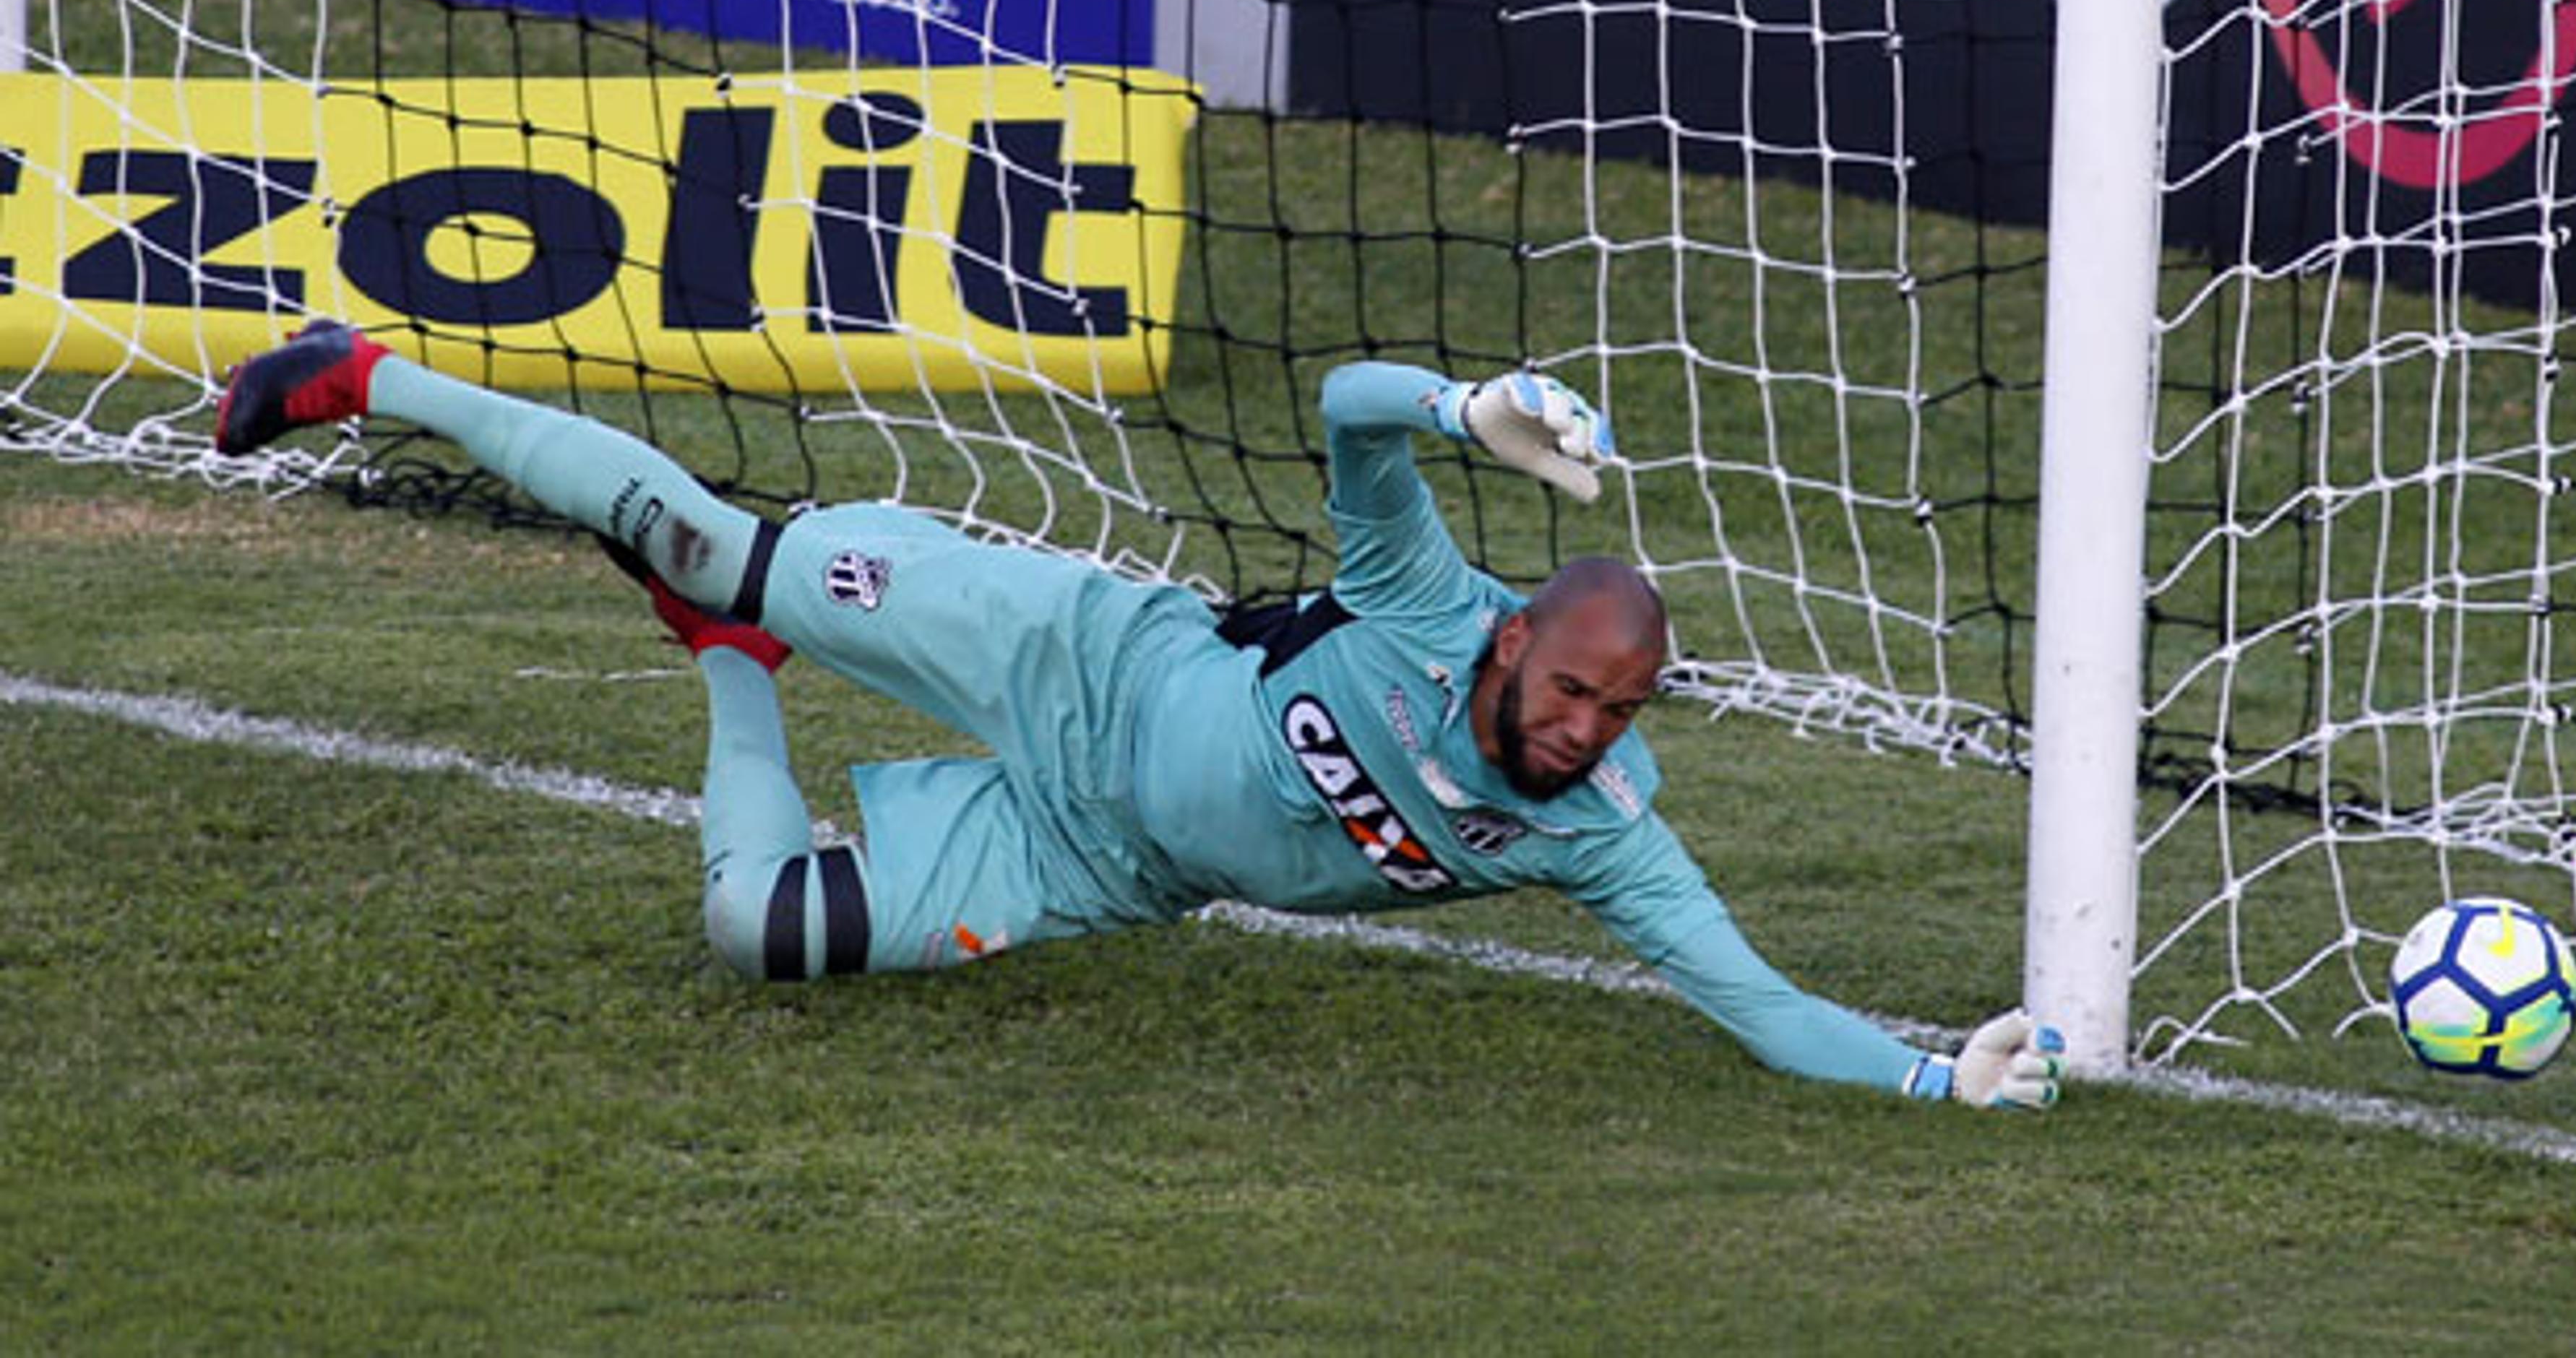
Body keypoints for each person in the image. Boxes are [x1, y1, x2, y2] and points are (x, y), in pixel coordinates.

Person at [215, 321, 2065, 1109]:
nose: (1587, 727)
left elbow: (1752, 997)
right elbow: (1338, 408)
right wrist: (1459, 406)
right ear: (1510, 644)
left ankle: (727, 656)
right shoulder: (1430, 599)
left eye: (1621, 708)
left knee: (755, 930)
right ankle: (387, 378)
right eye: (1572, 687)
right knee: (710, 524)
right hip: (1070, 652)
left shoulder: (1591, 829)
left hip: (1099, 860)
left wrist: (1933, 1076)